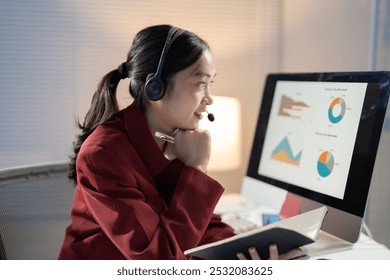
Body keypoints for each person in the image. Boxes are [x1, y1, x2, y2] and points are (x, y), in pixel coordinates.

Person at [58, 24, 302, 260]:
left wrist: (250, 253)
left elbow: (199, 226)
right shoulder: (103, 154)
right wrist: (195, 169)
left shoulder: (171, 139)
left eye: (210, 84)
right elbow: (160, 258)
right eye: (199, 84)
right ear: (156, 88)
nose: (209, 99)